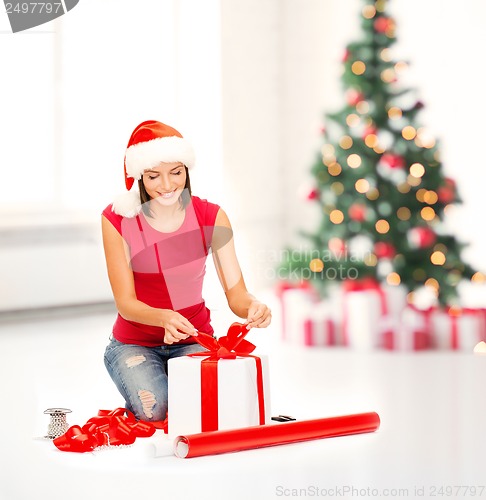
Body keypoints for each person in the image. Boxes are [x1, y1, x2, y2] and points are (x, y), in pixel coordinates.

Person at [101, 120, 271, 425]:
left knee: (203, 408)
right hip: (134, 343)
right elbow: (125, 303)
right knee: (159, 411)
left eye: (176, 173)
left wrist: (254, 306)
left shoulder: (211, 216)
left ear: (187, 170)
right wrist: (163, 317)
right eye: (154, 176)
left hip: (193, 339)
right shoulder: (116, 219)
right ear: (139, 176)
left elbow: (237, 294)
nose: (167, 186)